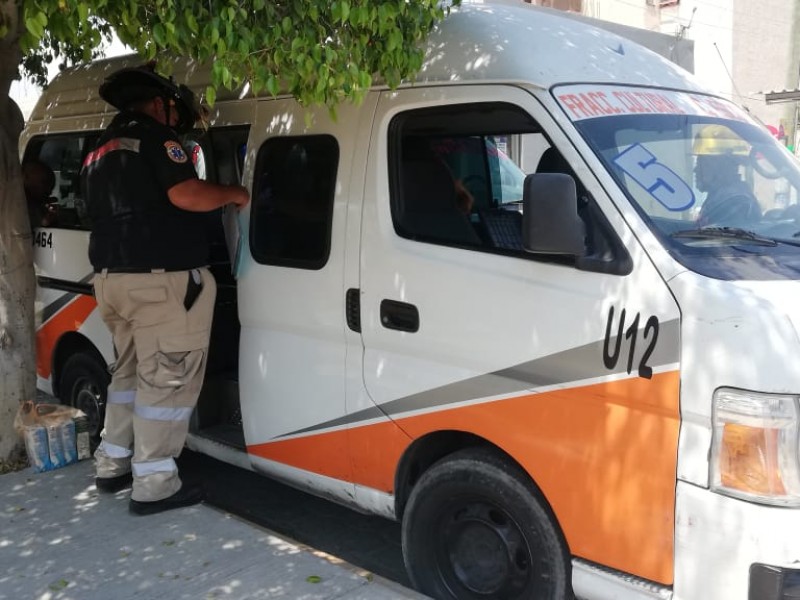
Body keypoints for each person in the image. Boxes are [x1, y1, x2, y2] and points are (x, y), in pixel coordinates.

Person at [82, 63, 249, 515]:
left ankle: (112, 463)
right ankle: (154, 483)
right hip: (159, 283)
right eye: (174, 112)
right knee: (168, 379)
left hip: (112, 281)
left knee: (130, 374)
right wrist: (235, 193)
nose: (176, 121)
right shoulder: (156, 137)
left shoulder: (99, 147)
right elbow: (186, 195)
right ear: (159, 104)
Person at [693, 124, 761, 227]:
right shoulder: (721, 196)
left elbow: (715, 241)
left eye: (701, 161)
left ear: (721, 164)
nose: (695, 169)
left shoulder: (735, 202)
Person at [22, 159, 57, 230]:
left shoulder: (36, 203)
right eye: (44, 182)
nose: (49, 191)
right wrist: (44, 220)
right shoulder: (14, 202)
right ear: (24, 177)